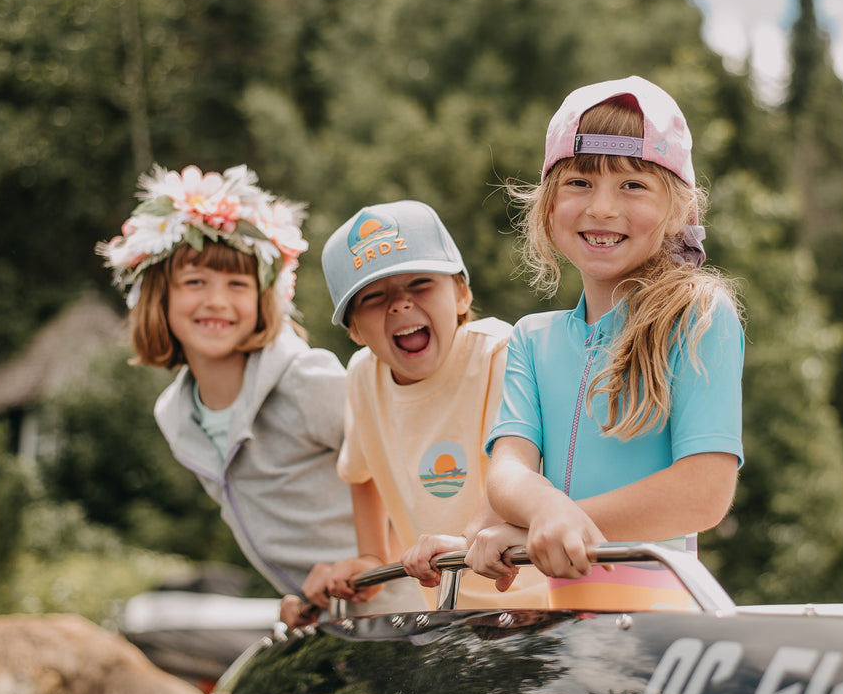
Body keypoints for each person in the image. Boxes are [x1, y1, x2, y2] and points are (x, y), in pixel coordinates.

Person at [467, 76, 744, 610]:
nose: (602, 208)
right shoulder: (531, 338)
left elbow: (704, 492)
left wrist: (546, 526)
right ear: (548, 205)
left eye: (633, 185)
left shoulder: (697, 315)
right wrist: (541, 514)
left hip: (662, 634)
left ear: (681, 210)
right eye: (578, 183)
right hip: (564, 641)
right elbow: (507, 472)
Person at [97, 163, 360, 602]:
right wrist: (300, 595)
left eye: (237, 284)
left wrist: (370, 563)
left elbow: (399, 471)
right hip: (330, 619)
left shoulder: (307, 379)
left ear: (264, 298)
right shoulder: (175, 416)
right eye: (195, 282)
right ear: (158, 296)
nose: (216, 301)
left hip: (403, 608)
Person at [277, 200, 546, 627]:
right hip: (449, 613)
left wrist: (465, 540)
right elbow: (359, 473)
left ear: (461, 294)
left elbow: (521, 469)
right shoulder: (363, 376)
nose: (400, 306)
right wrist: (370, 554)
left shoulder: (499, 352)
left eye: (420, 284)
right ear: (355, 330)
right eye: (373, 297)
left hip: (538, 603)